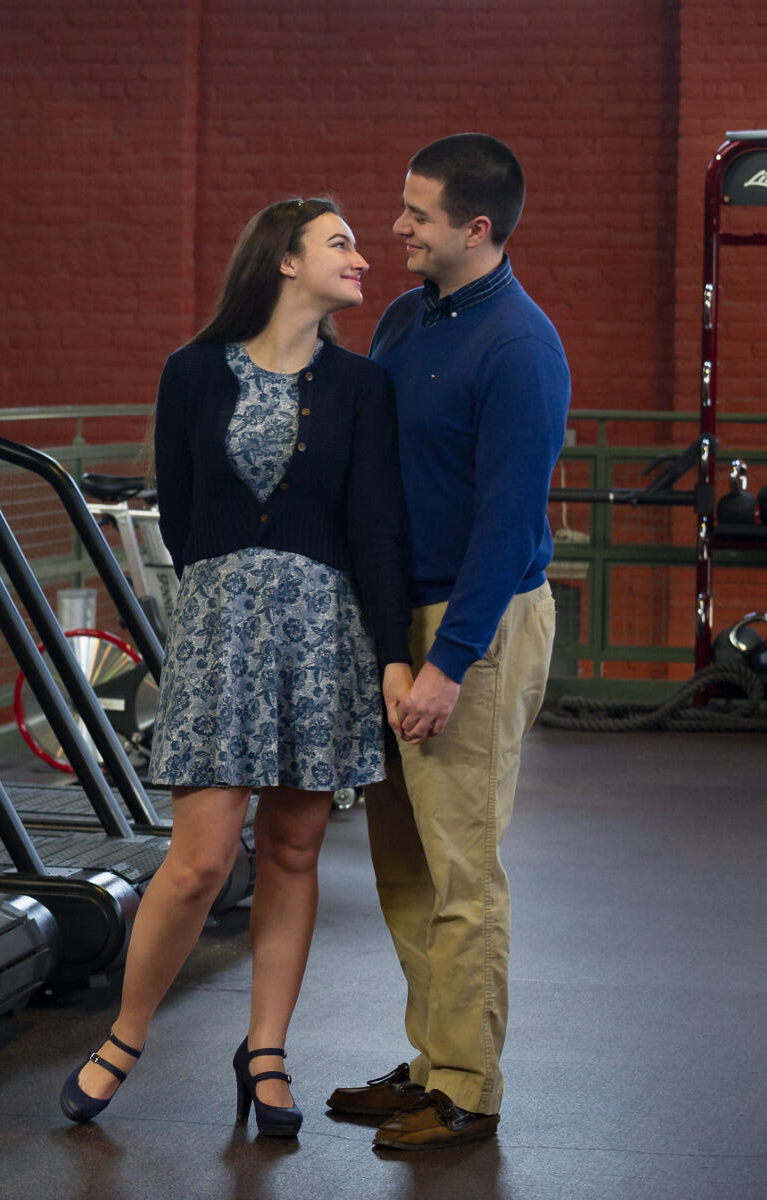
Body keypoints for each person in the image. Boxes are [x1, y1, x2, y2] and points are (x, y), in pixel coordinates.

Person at [59, 197, 411, 1137]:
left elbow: (377, 528)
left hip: (325, 633)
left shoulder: (362, 387)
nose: (364, 259)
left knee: (294, 850)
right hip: (222, 631)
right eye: (342, 242)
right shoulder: (189, 373)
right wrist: (240, 592)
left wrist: (393, 656)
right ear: (284, 261)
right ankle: (125, 1035)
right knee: (201, 859)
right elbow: (182, 519)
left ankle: (266, 1054)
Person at [327, 133, 570, 1151]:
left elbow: (508, 526)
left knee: (461, 865)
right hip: (402, 619)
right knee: (405, 863)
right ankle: (431, 1059)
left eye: (416, 214)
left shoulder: (519, 348)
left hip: (478, 622)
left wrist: (446, 663)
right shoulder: (404, 319)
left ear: (477, 228)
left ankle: (467, 1085)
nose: (396, 229)